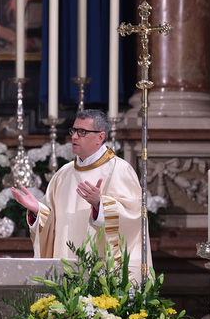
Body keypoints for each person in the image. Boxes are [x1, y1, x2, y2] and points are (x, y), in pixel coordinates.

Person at [11, 109, 149, 281]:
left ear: (100, 137)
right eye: (74, 131)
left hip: (100, 276)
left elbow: (134, 219)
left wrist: (101, 205)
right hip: (63, 273)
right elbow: (52, 224)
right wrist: (38, 210)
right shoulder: (63, 174)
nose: (74, 137)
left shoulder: (119, 170)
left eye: (82, 132)